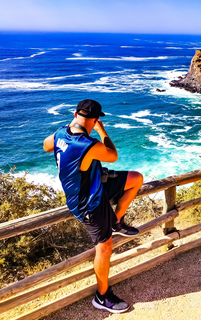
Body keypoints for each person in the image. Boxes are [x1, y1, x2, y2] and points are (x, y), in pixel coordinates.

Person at [43, 99, 143, 313]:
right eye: (97, 121)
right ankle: (102, 296)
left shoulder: (61, 133)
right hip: (87, 201)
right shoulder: (87, 144)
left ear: (76, 114)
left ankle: (117, 220)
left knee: (136, 178)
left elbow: (46, 146)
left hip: (96, 182)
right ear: (96, 119)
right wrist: (103, 131)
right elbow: (112, 155)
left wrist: (70, 126)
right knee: (105, 247)